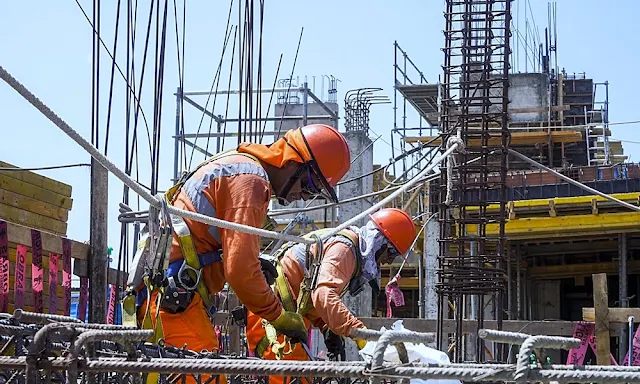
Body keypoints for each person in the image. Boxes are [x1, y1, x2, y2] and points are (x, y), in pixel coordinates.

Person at [124, 124, 351, 383]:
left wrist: (255, 263)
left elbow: (213, 246)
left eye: (314, 193)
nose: (304, 196)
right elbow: (241, 271)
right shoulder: (252, 182)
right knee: (207, 378)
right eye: (310, 185)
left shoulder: (240, 169)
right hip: (172, 300)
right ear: (293, 160)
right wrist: (278, 316)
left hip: (172, 296)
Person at [246, 208, 417, 384]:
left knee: (300, 377)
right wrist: (360, 335)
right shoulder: (345, 249)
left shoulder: (349, 251)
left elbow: (310, 294)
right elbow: (323, 295)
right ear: (380, 243)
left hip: (284, 313)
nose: (389, 261)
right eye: (392, 254)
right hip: (273, 314)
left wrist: (327, 328)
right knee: (288, 378)